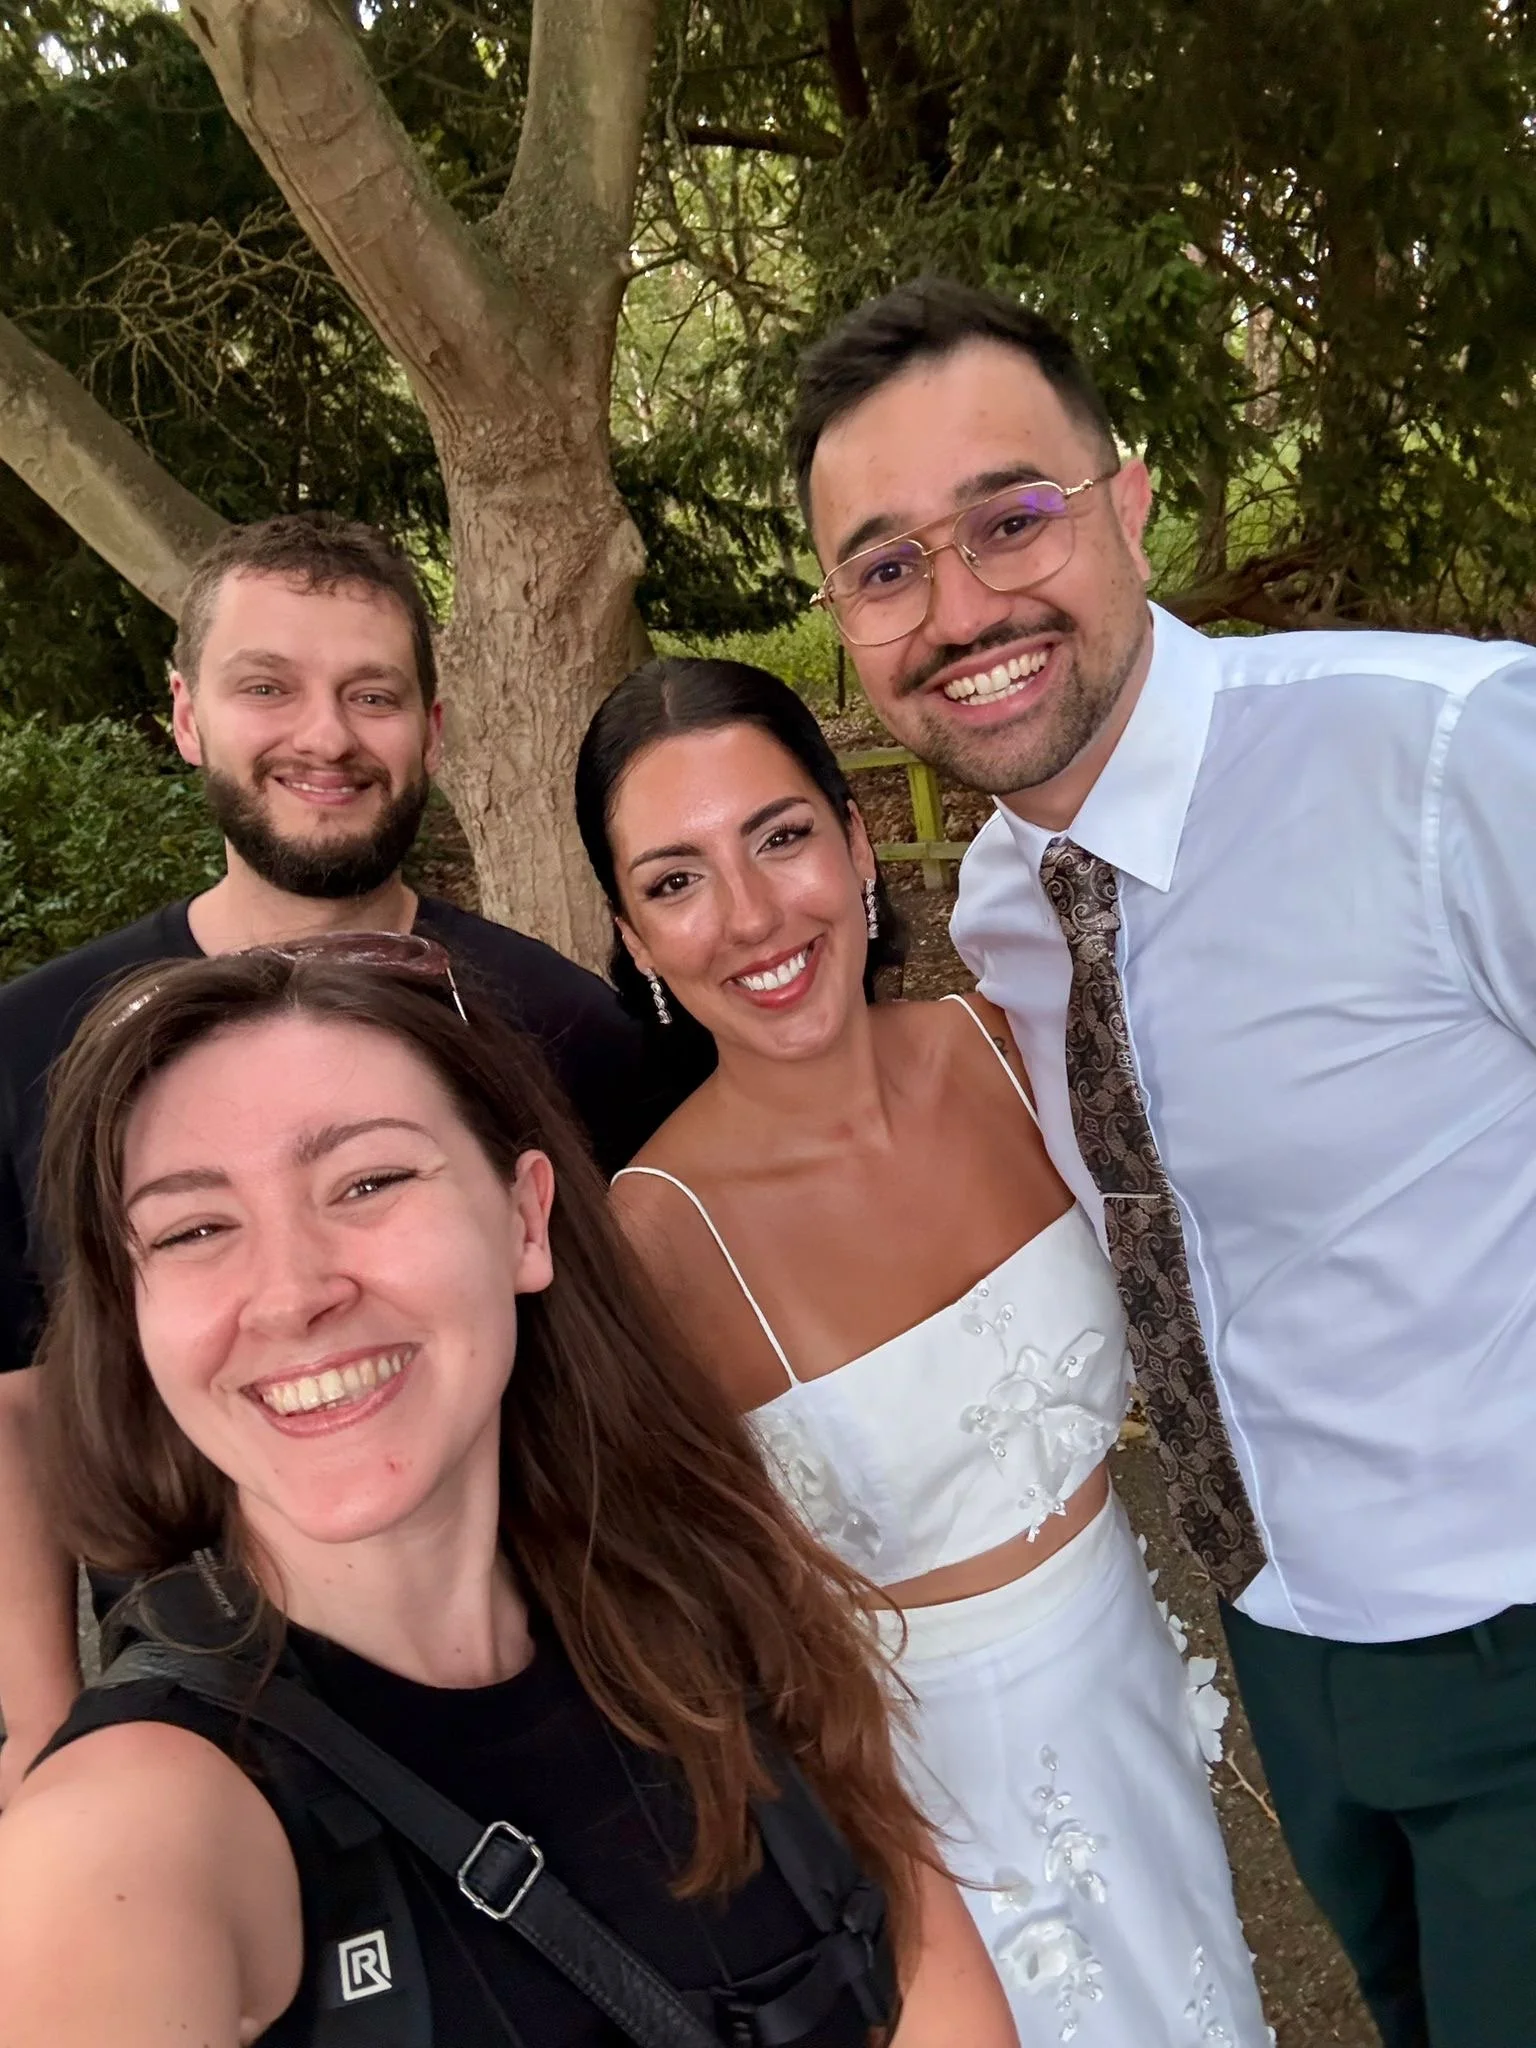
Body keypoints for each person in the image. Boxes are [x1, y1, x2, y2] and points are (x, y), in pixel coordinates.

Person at [788, 274, 1536, 2048]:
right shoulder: (1000, 909)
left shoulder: (1442, 749)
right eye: (888, 565)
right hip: (1283, 1643)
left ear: (1125, 500)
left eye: (1008, 518)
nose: (959, 605)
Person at [0, 941, 1013, 2048]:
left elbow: (931, 1976)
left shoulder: (701, 1589)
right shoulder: (124, 1837)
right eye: (194, 1229)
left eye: (369, 1180)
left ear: (525, 1218)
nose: (292, 1294)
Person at [575, 656, 1270, 2047]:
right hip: (932, 1820)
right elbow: (675, 1635)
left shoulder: (1008, 1047)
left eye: (780, 837)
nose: (754, 916)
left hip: (1136, 1699)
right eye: (677, 880)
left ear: (855, 836)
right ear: (637, 939)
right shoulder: (652, 1243)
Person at [0, 513, 669, 1799]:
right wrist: (39, 1724)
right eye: (269, 687)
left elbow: (638, 1372)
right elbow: (13, 1411)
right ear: (188, 714)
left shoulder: (566, 1033)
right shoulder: (31, 1051)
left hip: (571, 1695)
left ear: (432, 724)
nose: (325, 736)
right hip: (219, 1724)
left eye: (373, 694)